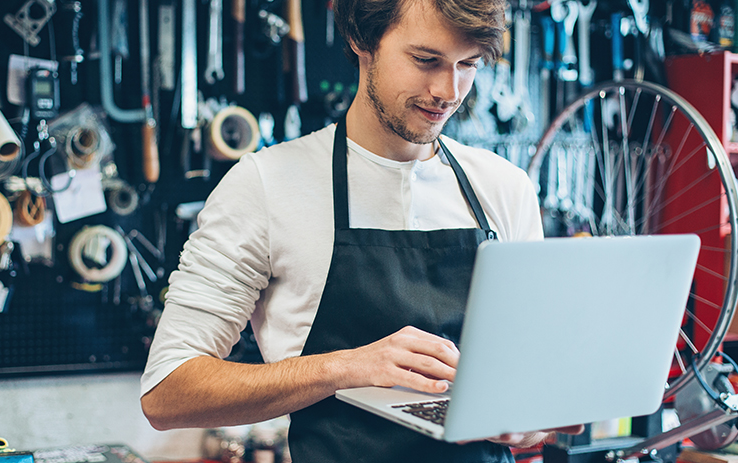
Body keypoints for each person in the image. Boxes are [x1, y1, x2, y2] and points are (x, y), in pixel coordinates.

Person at [141, 0, 583, 461]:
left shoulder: (503, 187)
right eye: (426, 60)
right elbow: (167, 391)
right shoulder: (267, 185)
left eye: (467, 65)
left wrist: (528, 426)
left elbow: (531, 389)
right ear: (361, 40)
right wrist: (345, 367)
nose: (448, 91)